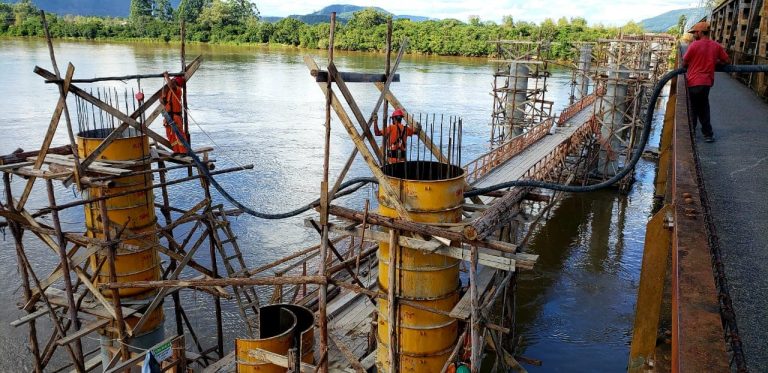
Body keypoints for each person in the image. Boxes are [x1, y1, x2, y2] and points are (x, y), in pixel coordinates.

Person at [682, 21, 730, 143]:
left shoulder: (694, 45)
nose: (693, 35)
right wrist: (715, 62)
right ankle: (708, 134)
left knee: (693, 108)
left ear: (699, 32)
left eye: (694, 33)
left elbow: (684, 62)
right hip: (706, 83)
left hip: (693, 82)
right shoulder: (716, 46)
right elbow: (727, 61)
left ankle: (691, 134)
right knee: (703, 107)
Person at [161, 72, 189, 154]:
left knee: (179, 134)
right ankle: (176, 151)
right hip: (169, 116)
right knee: (170, 134)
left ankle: (183, 151)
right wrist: (163, 99)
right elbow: (164, 102)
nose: (172, 81)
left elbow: (171, 85)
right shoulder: (170, 91)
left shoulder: (177, 90)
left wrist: (166, 76)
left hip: (176, 117)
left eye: (173, 80)